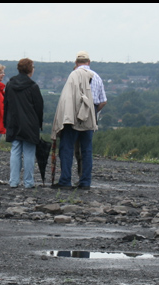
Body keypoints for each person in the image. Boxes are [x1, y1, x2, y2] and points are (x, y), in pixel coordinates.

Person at [51, 50, 107, 190]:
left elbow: (67, 98)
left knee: (67, 147)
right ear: (89, 62)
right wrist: (92, 113)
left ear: (76, 63)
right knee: (86, 150)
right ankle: (85, 182)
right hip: (91, 114)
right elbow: (103, 101)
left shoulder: (73, 75)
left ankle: (65, 180)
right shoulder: (97, 77)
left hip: (74, 114)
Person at [3, 58, 44, 189]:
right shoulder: (33, 86)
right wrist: (38, 122)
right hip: (30, 123)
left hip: (13, 121)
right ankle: (28, 182)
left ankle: (13, 181)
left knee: (15, 151)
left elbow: (6, 104)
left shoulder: (9, 84)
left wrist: (6, 121)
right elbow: (39, 107)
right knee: (29, 152)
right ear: (30, 70)